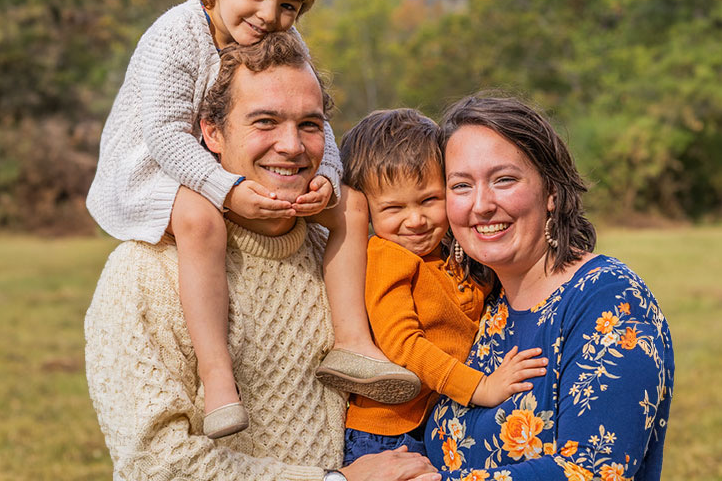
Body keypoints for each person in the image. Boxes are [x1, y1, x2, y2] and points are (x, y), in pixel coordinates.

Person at [85, 0, 410, 439]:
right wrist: (228, 191)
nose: (269, 16)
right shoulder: (173, 36)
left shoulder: (281, 39)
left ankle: (351, 341)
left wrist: (325, 175)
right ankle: (218, 378)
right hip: (152, 167)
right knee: (200, 218)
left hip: (214, 162)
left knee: (349, 203)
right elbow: (168, 136)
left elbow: (316, 116)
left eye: (289, 6)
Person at [85, 32, 438, 481]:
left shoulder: (343, 255)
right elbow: (157, 464)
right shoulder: (144, 272)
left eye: (309, 125)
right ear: (211, 133)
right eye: (265, 122)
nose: (292, 146)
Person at [424, 94, 674, 480]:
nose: (482, 204)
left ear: (551, 193)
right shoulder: (479, 307)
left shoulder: (607, 298)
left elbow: (593, 471)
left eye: (503, 180)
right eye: (461, 186)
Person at [336, 109, 549, 465]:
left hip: (429, 421)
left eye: (429, 200)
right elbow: (403, 346)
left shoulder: (451, 255)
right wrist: (480, 387)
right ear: (368, 211)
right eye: (393, 208)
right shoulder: (388, 256)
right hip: (387, 433)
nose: (415, 220)